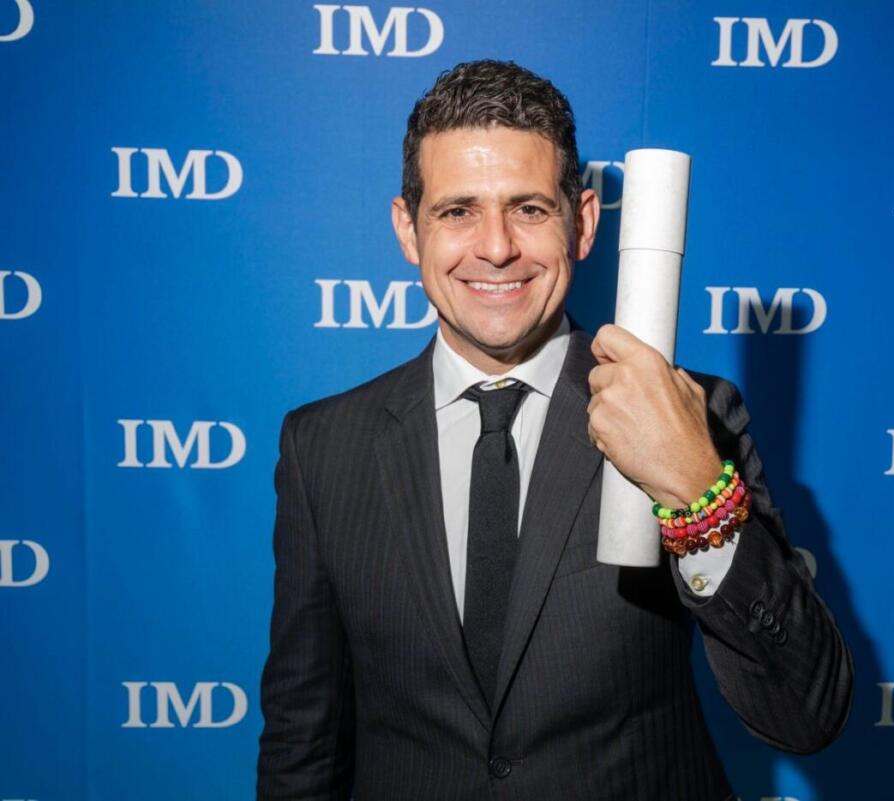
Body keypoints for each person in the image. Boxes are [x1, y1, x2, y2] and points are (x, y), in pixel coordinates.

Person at [257, 59, 852, 801]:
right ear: (408, 229)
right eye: (457, 211)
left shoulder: (693, 411)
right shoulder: (323, 447)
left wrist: (696, 486)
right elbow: (303, 739)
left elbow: (807, 714)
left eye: (530, 209)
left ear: (584, 223)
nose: (496, 247)